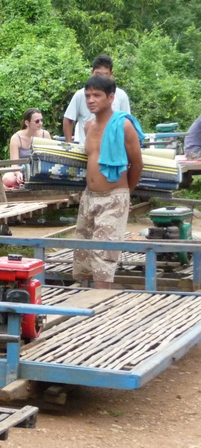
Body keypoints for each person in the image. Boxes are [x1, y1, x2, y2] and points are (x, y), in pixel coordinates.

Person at [73, 75, 143, 290]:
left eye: (97, 95)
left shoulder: (123, 125)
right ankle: (84, 298)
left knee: (104, 253)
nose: (91, 100)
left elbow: (137, 164)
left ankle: (102, 303)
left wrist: (124, 194)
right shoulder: (88, 126)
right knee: (83, 250)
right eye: (88, 96)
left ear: (111, 97)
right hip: (89, 196)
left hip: (114, 197)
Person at [63, 55, 131, 144]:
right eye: (98, 74)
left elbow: (126, 121)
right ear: (92, 73)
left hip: (112, 149)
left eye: (105, 75)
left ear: (111, 97)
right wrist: (69, 145)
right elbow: (68, 119)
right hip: (85, 150)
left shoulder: (121, 96)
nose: (91, 100)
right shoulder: (81, 95)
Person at [4, 108, 52, 188]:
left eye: (41, 120)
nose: (40, 123)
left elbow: (52, 157)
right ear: (27, 122)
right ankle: (24, 182)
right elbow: (14, 164)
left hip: (41, 170)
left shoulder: (45, 134)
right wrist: (17, 173)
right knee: (7, 178)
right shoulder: (16, 138)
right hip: (23, 170)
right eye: (37, 121)